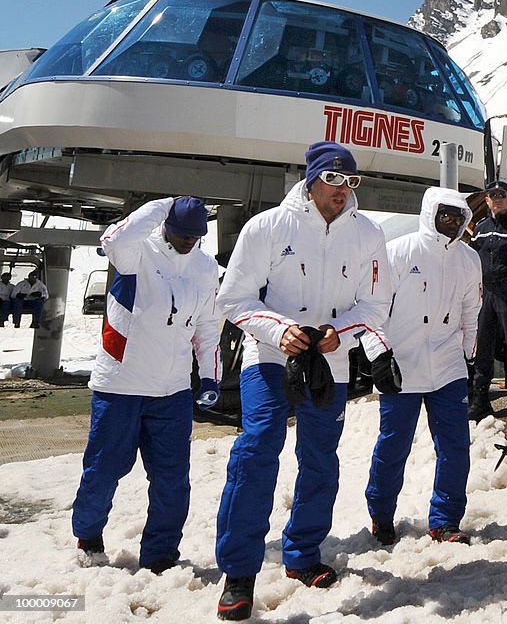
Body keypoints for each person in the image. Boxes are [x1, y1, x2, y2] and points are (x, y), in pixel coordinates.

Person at [214, 141, 393, 621]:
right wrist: (279, 329)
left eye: (351, 182)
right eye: (334, 180)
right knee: (257, 448)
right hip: (271, 352)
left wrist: (345, 334)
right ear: (312, 179)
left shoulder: (368, 235)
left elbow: (375, 306)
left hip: (329, 359)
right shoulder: (269, 226)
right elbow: (233, 300)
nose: (343, 191)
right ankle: (239, 571)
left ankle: (303, 552)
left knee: (320, 458)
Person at [71, 197, 220, 573]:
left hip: (171, 391)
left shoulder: (204, 268)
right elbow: (112, 240)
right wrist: (162, 205)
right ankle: (88, 536)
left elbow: (206, 326)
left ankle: (161, 554)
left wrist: (209, 375)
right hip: (120, 385)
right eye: (181, 232)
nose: (188, 241)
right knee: (104, 469)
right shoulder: (137, 252)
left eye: (195, 235)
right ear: (166, 225)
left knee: (172, 479)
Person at [365, 187, 482, 546]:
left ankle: (445, 520)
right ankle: (381, 514)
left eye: (457, 217)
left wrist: (471, 354)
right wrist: (377, 355)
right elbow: (373, 308)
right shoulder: (398, 252)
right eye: (444, 215)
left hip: (447, 366)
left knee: (455, 445)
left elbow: (471, 311)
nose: (451, 223)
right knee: (394, 445)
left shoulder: (468, 258)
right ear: (429, 213)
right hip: (402, 365)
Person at [468, 179, 507, 426]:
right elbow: (472, 259)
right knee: (482, 345)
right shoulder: (481, 227)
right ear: (487, 200)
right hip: (484, 294)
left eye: (502, 195)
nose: (497, 199)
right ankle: (481, 399)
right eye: (493, 195)